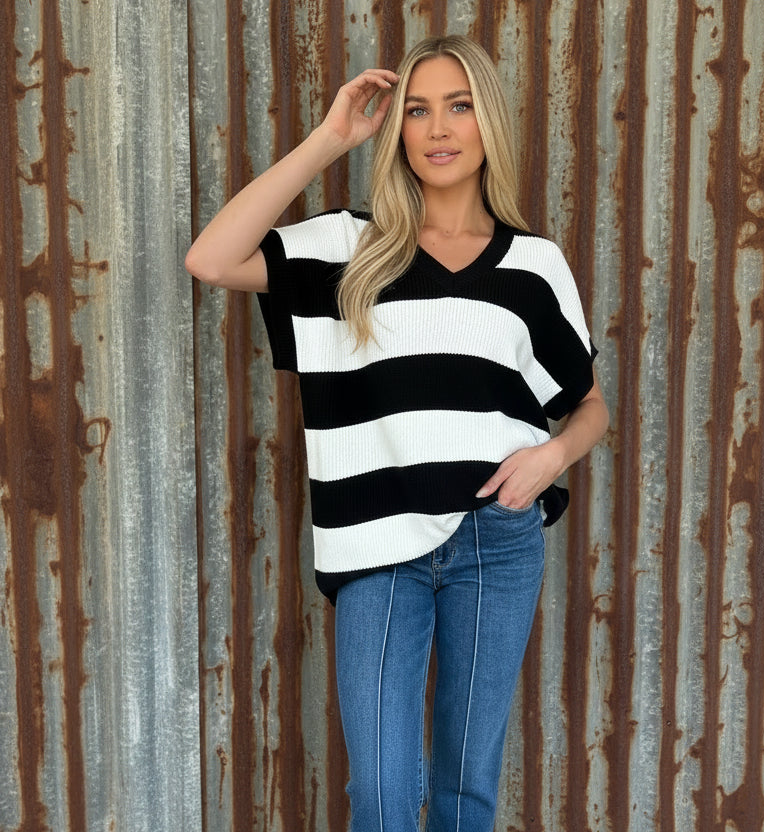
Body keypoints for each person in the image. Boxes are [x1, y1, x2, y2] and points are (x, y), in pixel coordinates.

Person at [186, 34, 608, 832]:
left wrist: (554, 453)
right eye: (417, 110)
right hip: (377, 548)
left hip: (498, 541)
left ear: (488, 124)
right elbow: (210, 258)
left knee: (464, 788)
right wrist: (332, 137)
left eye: (459, 106)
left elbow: (589, 406)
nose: (438, 128)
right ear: (398, 131)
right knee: (380, 794)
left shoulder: (535, 265)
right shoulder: (350, 247)